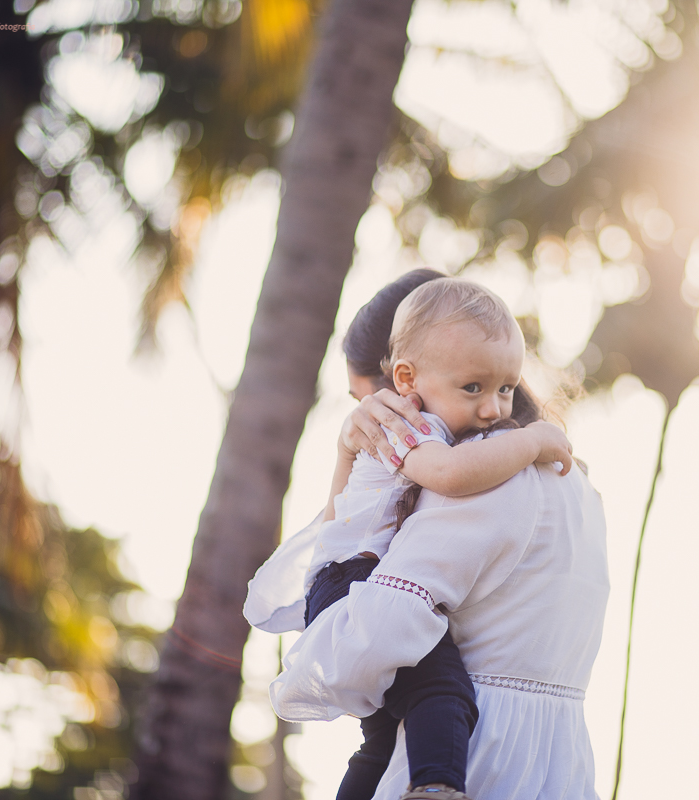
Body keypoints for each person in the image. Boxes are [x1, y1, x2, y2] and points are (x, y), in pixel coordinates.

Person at [245, 274, 574, 800]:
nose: (366, 417)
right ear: (406, 379)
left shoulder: (471, 457)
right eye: (476, 388)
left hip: (352, 582)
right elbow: (440, 479)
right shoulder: (418, 431)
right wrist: (533, 439)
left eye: (503, 389)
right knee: (434, 697)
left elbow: (356, 529)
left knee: (382, 739)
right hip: (357, 582)